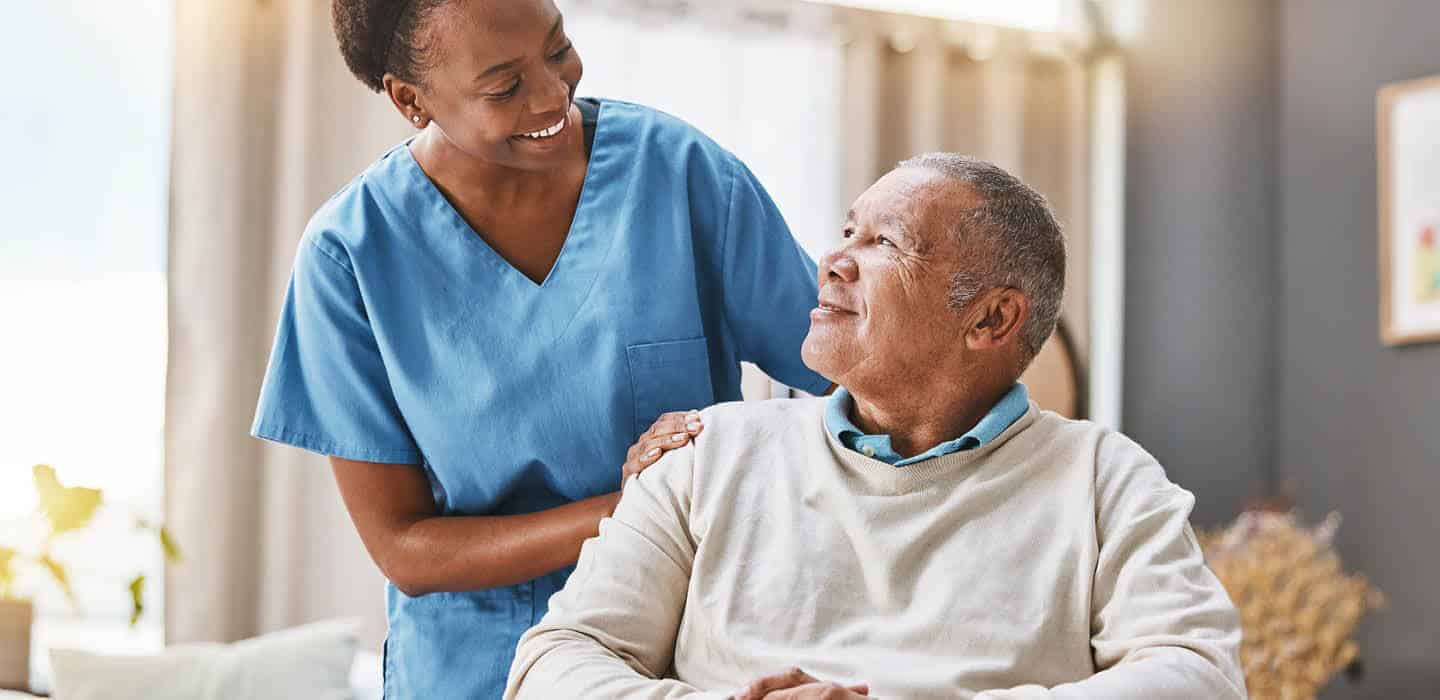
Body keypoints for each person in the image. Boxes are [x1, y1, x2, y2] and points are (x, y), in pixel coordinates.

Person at [505, 154, 1247, 700]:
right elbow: (553, 664)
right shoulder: (709, 452)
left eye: (884, 244)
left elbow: (1198, 676)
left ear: (990, 318)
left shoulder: (1103, 478)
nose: (831, 261)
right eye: (847, 232)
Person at [250, 0, 830, 696]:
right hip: (482, 672)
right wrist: (640, 505)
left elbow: (851, 374)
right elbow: (404, 547)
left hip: (694, 658)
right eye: (504, 86)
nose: (555, 95)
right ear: (411, 100)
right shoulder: (351, 256)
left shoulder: (679, 174)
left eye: (558, 50)